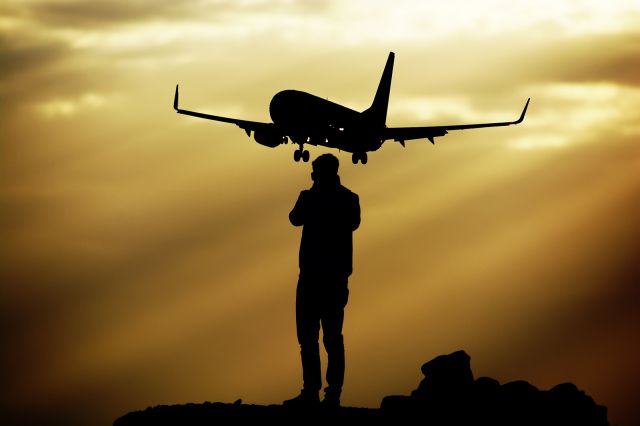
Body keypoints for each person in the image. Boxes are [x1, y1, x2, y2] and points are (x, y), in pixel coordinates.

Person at [284, 153, 361, 408]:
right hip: (333, 278)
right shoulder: (349, 198)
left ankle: (315, 391)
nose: (312, 175)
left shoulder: (311, 197)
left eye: (314, 171)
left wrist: (314, 194)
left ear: (321, 173)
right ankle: (329, 393)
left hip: (315, 278)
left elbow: (294, 218)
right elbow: (352, 223)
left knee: (313, 338)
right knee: (329, 338)